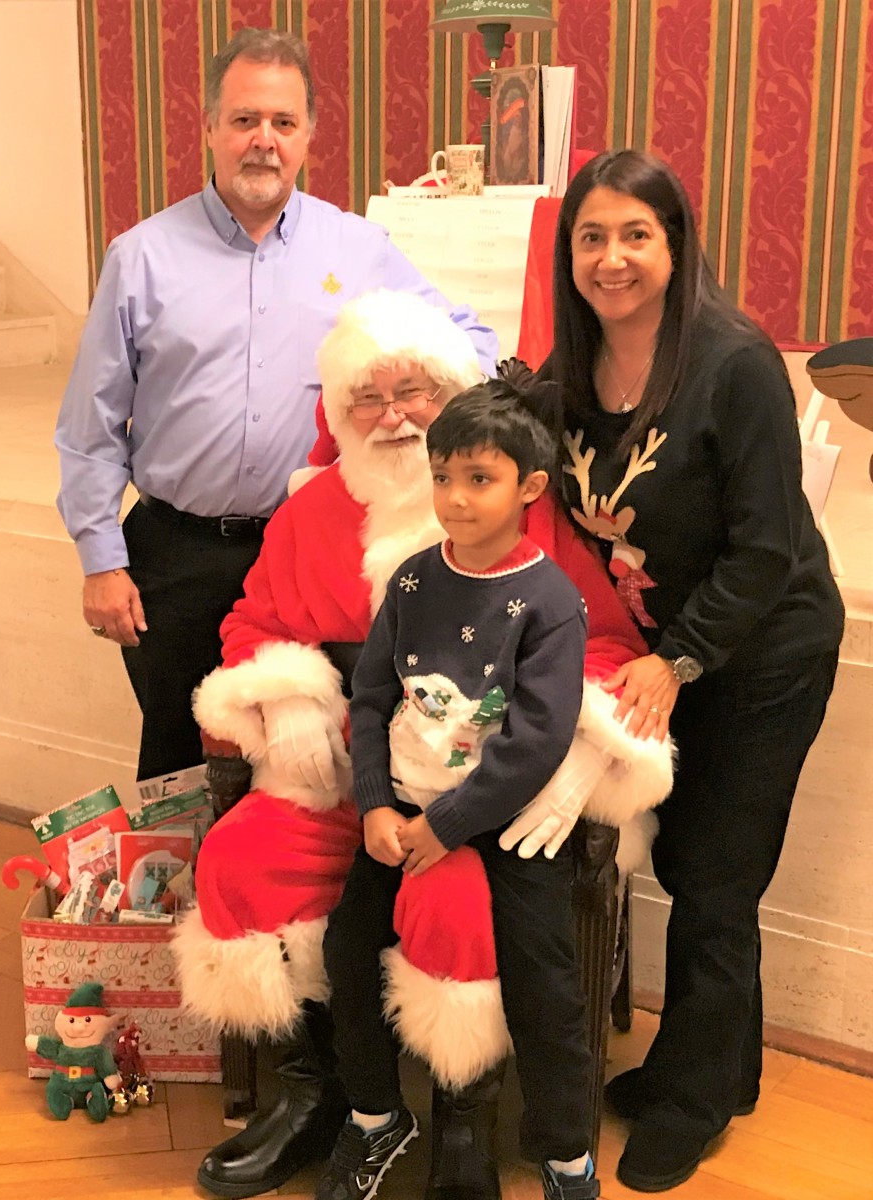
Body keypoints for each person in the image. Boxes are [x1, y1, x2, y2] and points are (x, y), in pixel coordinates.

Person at [175, 289, 673, 1200]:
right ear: (339, 414)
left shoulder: (528, 525)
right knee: (239, 858)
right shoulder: (311, 514)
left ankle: (463, 1113)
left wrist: (572, 756)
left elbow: (604, 646)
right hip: (353, 777)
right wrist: (288, 699)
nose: (394, 414)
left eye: (416, 391)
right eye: (368, 397)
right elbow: (253, 625)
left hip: (481, 796)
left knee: (457, 904)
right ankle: (322, 1089)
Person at [54, 26, 496, 782]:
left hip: (309, 552)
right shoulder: (141, 258)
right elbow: (89, 428)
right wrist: (101, 560)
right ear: (210, 129)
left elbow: (466, 336)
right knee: (179, 758)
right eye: (245, 119)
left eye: (283, 122)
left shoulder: (356, 249)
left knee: (312, 762)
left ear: (308, 136)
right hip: (176, 557)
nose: (264, 140)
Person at [537, 149, 844, 1193]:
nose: (611, 258)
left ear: (675, 245)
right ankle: (717, 1069)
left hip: (761, 651)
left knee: (716, 876)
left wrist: (678, 659)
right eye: (591, 236)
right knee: (693, 865)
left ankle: (694, 1102)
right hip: (668, 655)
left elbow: (766, 549)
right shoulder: (576, 360)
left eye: (636, 234)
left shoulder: (734, 362)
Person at [317, 380, 602, 1200]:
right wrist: (376, 802)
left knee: (545, 983)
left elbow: (538, 738)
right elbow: (371, 697)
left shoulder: (551, 601)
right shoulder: (412, 580)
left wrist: (449, 824)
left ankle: (566, 1155)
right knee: (347, 950)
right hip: (401, 810)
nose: (456, 497)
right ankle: (376, 1116)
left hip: (502, 823)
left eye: (480, 479)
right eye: (443, 476)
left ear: (530, 487)